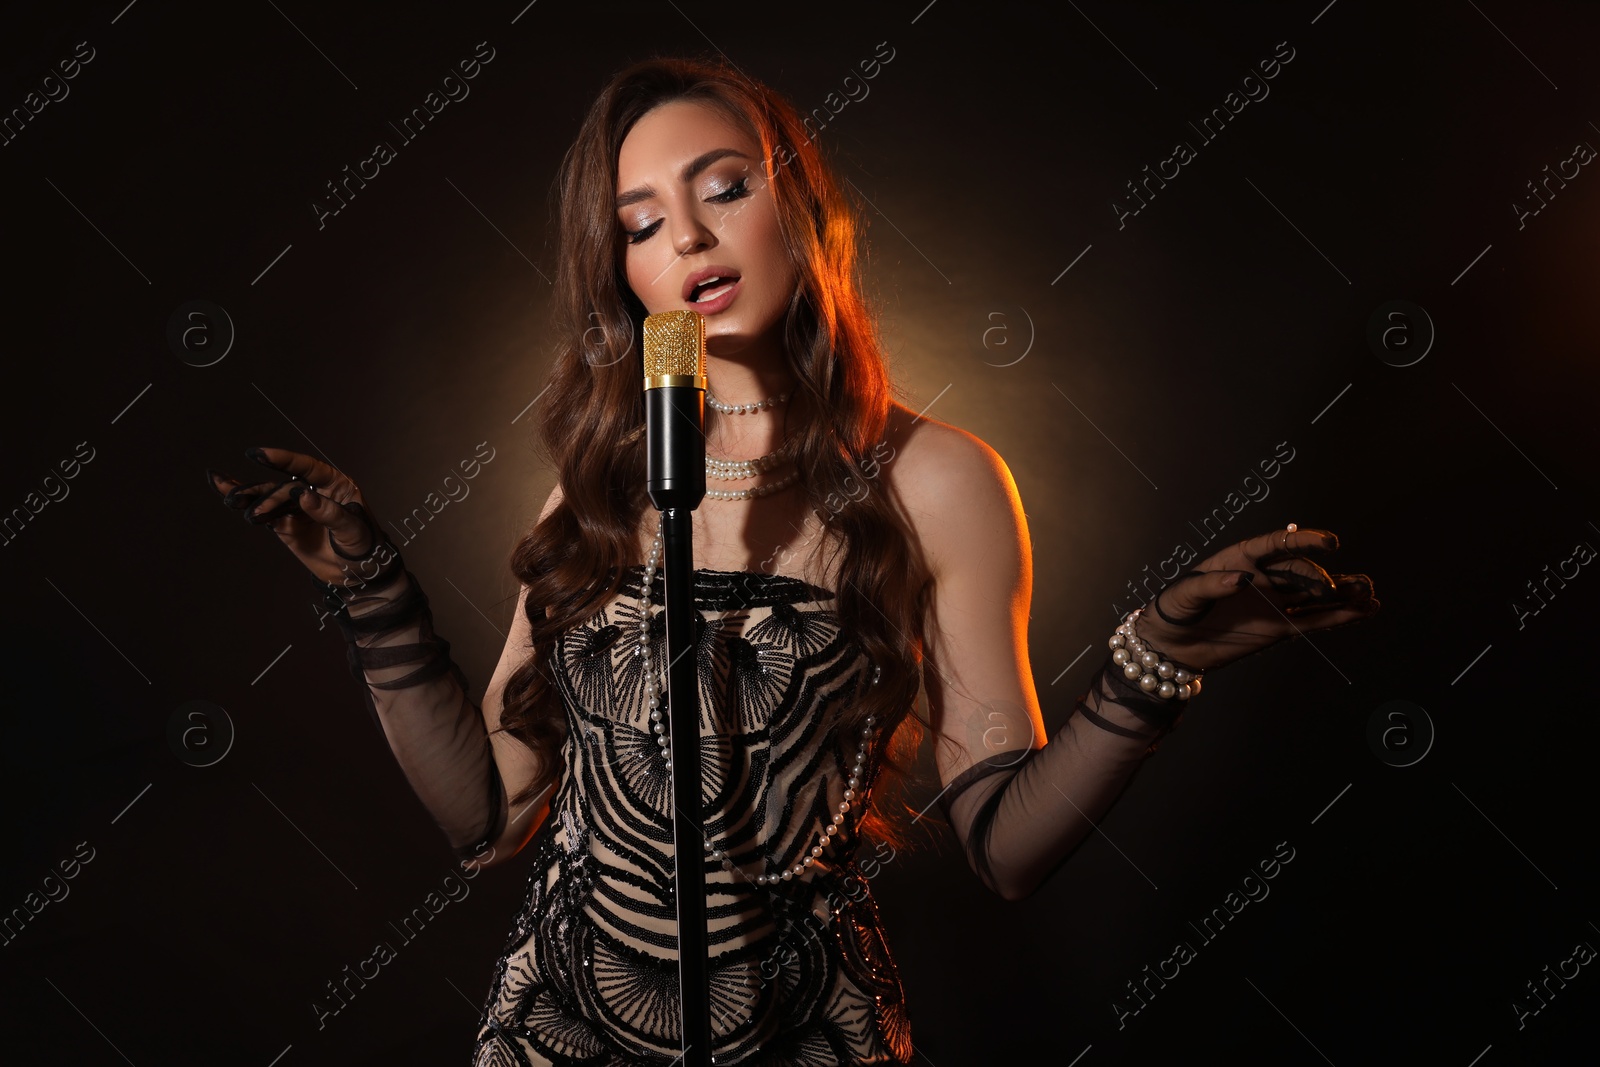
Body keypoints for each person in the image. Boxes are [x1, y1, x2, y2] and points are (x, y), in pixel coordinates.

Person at [207, 56, 1379, 1066]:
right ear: (623, 274)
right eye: (642, 221)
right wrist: (371, 593)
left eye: (723, 187)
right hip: (558, 1032)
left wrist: (1149, 667)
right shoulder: (603, 482)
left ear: (801, 207)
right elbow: (489, 814)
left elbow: (1005, 845)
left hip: (805, 1031)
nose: (691, 238)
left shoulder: (940, 479)